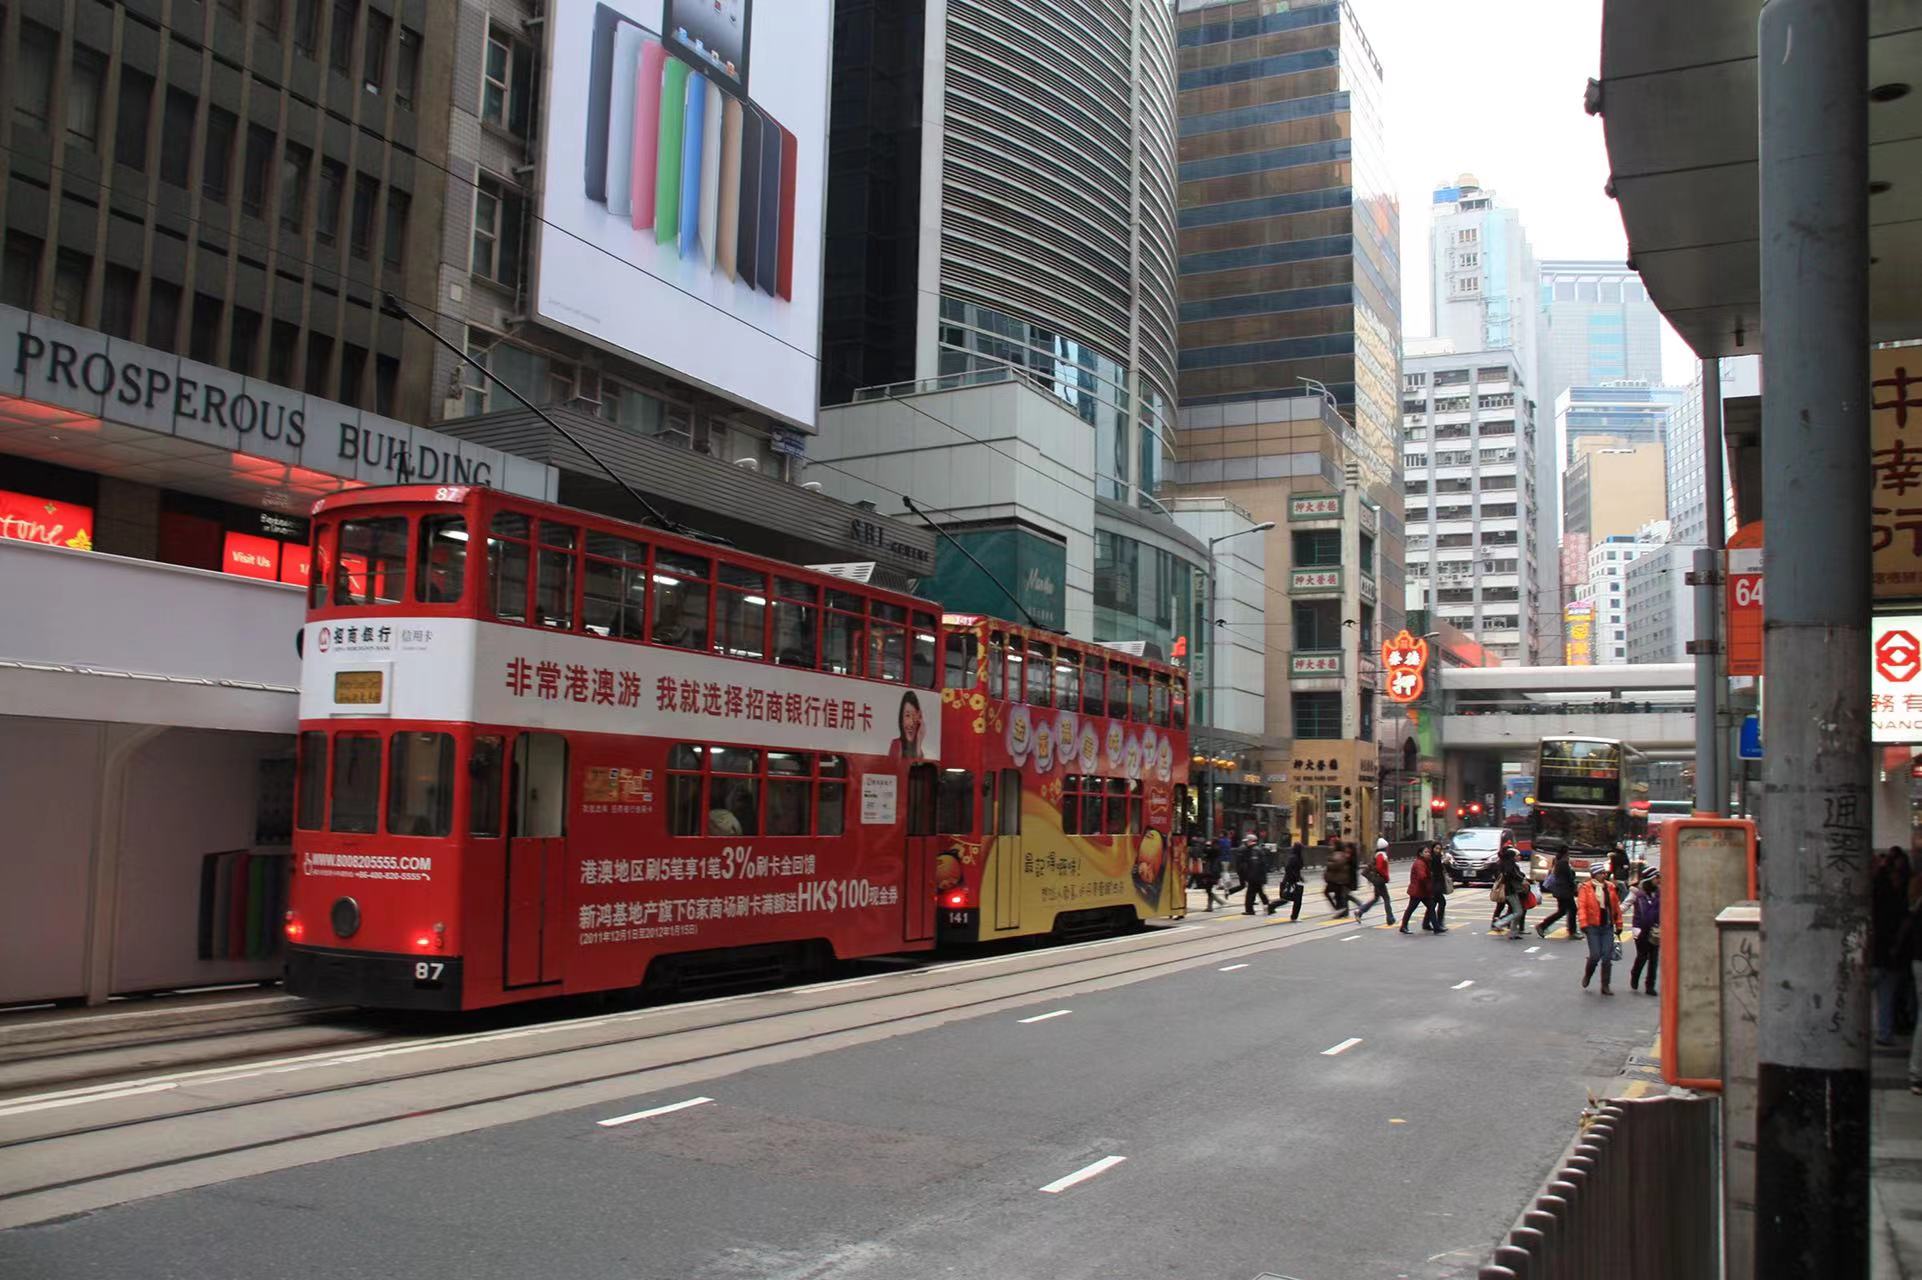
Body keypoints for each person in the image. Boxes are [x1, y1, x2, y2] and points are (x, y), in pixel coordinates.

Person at [1874, 848, 1910, 1045]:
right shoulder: (1891, 893)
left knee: (1886, 993)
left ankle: (1885, 1032)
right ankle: (1885, 1031)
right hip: (1886, 951)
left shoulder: (1878, 890)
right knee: (1886, 993)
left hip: (1886, 951)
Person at [1578, 864, 1623, 994]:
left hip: (1607, 926)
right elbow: (1582, 907)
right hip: (1592, 927)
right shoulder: (1586, 888)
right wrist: (1583, 924)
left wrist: (1619, 924)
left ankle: (1605, 985)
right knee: (1595, 955)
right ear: (1595, 874)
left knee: (1607, 956)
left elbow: (1616, 908)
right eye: (1601, 873)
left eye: (1605, 872)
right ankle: (1588, 974)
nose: (1604, 875)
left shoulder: (1610, 887)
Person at [1628, 869, 1661, 996]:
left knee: (1654, 958)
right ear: (1650, 879)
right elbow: (1625, 905)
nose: (1658, 880)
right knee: (1642, 956)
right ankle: (1635, 974)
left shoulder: (1659, 893)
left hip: (1655, 930)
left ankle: (1650, 985)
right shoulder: (1639, 894)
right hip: (1641, 929)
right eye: (1656, 878)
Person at [1535, 846, 1579, 939]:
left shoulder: (1557, 861)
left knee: (1562, 911)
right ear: (1566, 853)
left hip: (1560, 890)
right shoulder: (1563, 863)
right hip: (1565, 891)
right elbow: (1569, 877)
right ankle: (1572, 932)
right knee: (1572, 909)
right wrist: (1575, 887)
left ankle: (1543, 926)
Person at [1493, 844, 1531, 939]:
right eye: (1515, 856)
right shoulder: (1509, 868)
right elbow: (1517, 877)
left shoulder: (1509, 866)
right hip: (1511, 892)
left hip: (1513, 891)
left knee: (1517, 911)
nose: (1517, 857)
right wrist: (1522, 880)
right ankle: (1499, 923)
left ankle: (1513, 933)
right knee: (1518, 911)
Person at [1354, 839, 1394, 924]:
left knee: (1376, 898)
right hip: (1380, 880)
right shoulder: (1381, 855)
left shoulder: (1379, 854)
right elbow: (1379, 868)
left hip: (1378, 880)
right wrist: (1385, 876)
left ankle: (1360, 912)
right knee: (1386, 899)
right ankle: (1390, 918)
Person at [1399, 843, 1432, 934]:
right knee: (1411, 908)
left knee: (1431, 906)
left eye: (1428, 852)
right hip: (1418, 891)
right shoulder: (1419, 863)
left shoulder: (1424, 862)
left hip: (1422, 891)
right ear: (1420, 854)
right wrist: (1429, 885)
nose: (1428, 853)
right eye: (1426, 852)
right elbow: (1422, 877)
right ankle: (1403, 926)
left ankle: (1426, 924)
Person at [1237, 833, 1273, 915]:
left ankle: (1250, 910)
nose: (1245, 843)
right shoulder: (1257, 849)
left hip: (1255, 877)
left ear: (1250, 841)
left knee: (1250, 894)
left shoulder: (1254, 851)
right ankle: (1270, 908)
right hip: (1259, 876)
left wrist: (1250, 877)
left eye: (1247, 842)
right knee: (1260, 892)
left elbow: (1254, 865)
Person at [891, 691, 926, 763]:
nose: (911, 723)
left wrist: (919, 740)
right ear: (901, 718)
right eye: (907, 715)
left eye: (914, 716)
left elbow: (918, 771)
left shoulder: (919, 749)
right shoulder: (896, 744)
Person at [1276, 841, 1306, 921]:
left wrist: (1299, 877)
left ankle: (1294, 916)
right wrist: (1296, 877)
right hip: (1291, 881)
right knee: (1291, 898)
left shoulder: (1297, 857)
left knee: (1293, 899)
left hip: (1294, 881)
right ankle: (1294, 916)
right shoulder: (1294, 857)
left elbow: (1296, 870)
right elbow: (1289, 869)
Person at [1324, 844, 1353, 917]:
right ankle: (1342, 911)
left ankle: (1339, 910)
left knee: (1331, 893)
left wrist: (1328, 863)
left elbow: (1336, 865)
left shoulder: (1338, 855)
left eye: (1333, 845)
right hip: (1338, 879)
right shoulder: (1340, 855)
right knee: (1338, 895)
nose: (1331, 846)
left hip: (1336, 879)